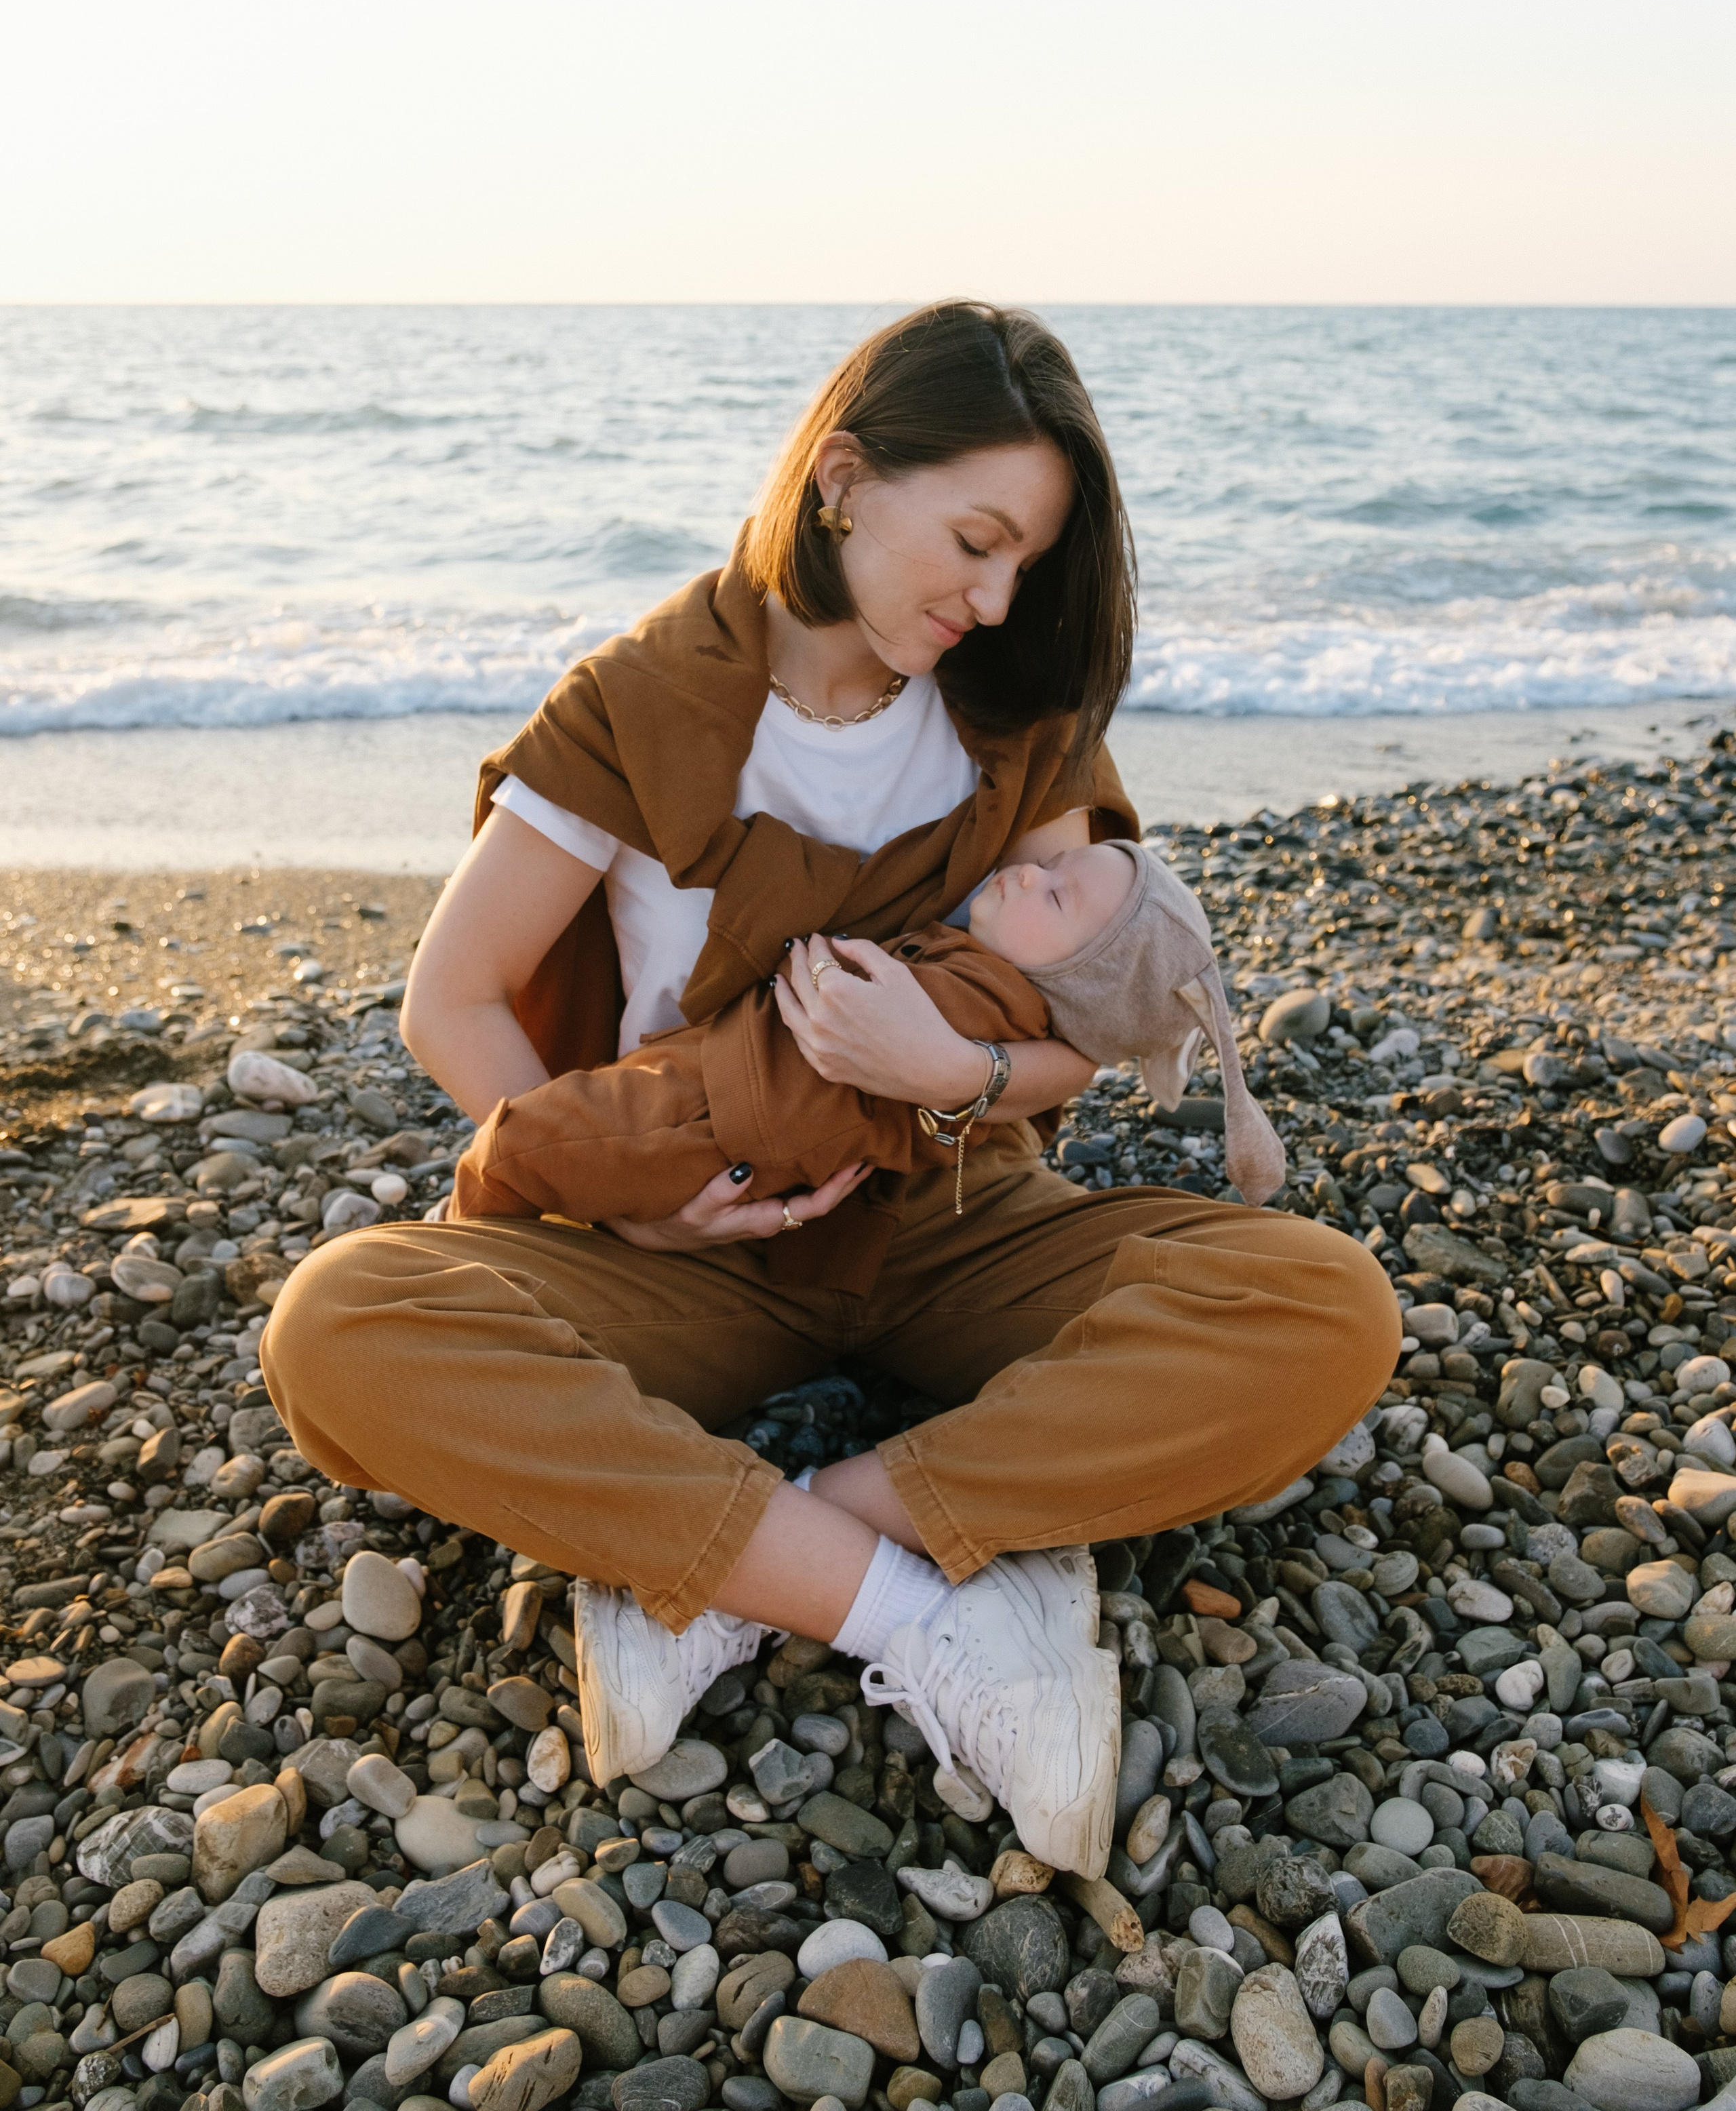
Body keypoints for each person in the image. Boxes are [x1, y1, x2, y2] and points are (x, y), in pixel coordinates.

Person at [262, 300, 1398, 1879]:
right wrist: (630, 1212)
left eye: (1025, 564)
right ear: (846, 478)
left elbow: (1085, 1028)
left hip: (960, 1220)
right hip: (700, 1251)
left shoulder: (1012, 711)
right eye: (976, 542)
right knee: (338, 1329)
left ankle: (751, 1551)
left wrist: (952, 1070)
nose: (994, 600)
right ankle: (931, 1612)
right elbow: (447, 1002)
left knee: (1322, 1306)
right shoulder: (640, 703)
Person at [450, 835, 1288, 1231]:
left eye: (1058, 897)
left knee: (518, 1146)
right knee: (560, 1149)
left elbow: (855, 1013)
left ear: (1085, 980)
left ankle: (462, 1250)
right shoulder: (985, 979)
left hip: (714, 1118)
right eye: (1055, 865)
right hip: (720, 1100)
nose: (1032, 870)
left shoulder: (986, 1003)